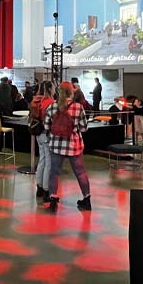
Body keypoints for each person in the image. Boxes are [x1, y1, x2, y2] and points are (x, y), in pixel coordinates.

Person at [43, 82, 92, 211]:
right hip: (74, 145)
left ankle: (53, 200)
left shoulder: (52, 107)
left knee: (54, 172)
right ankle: (86, 200)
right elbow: (84, 128)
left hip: (56, 145)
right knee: (80, 173)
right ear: (72, 92)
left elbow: (46, 127)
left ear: (59, 92)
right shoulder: (78, 107)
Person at [30, 81, 56, 199]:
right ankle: (46, 189)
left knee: (42, 160)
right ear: (50, 89)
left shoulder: (36, 101)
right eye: (54, 88)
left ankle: (39, 187)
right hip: (47, 133)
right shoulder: (50, 103)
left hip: (38, 133)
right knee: (49, 162)